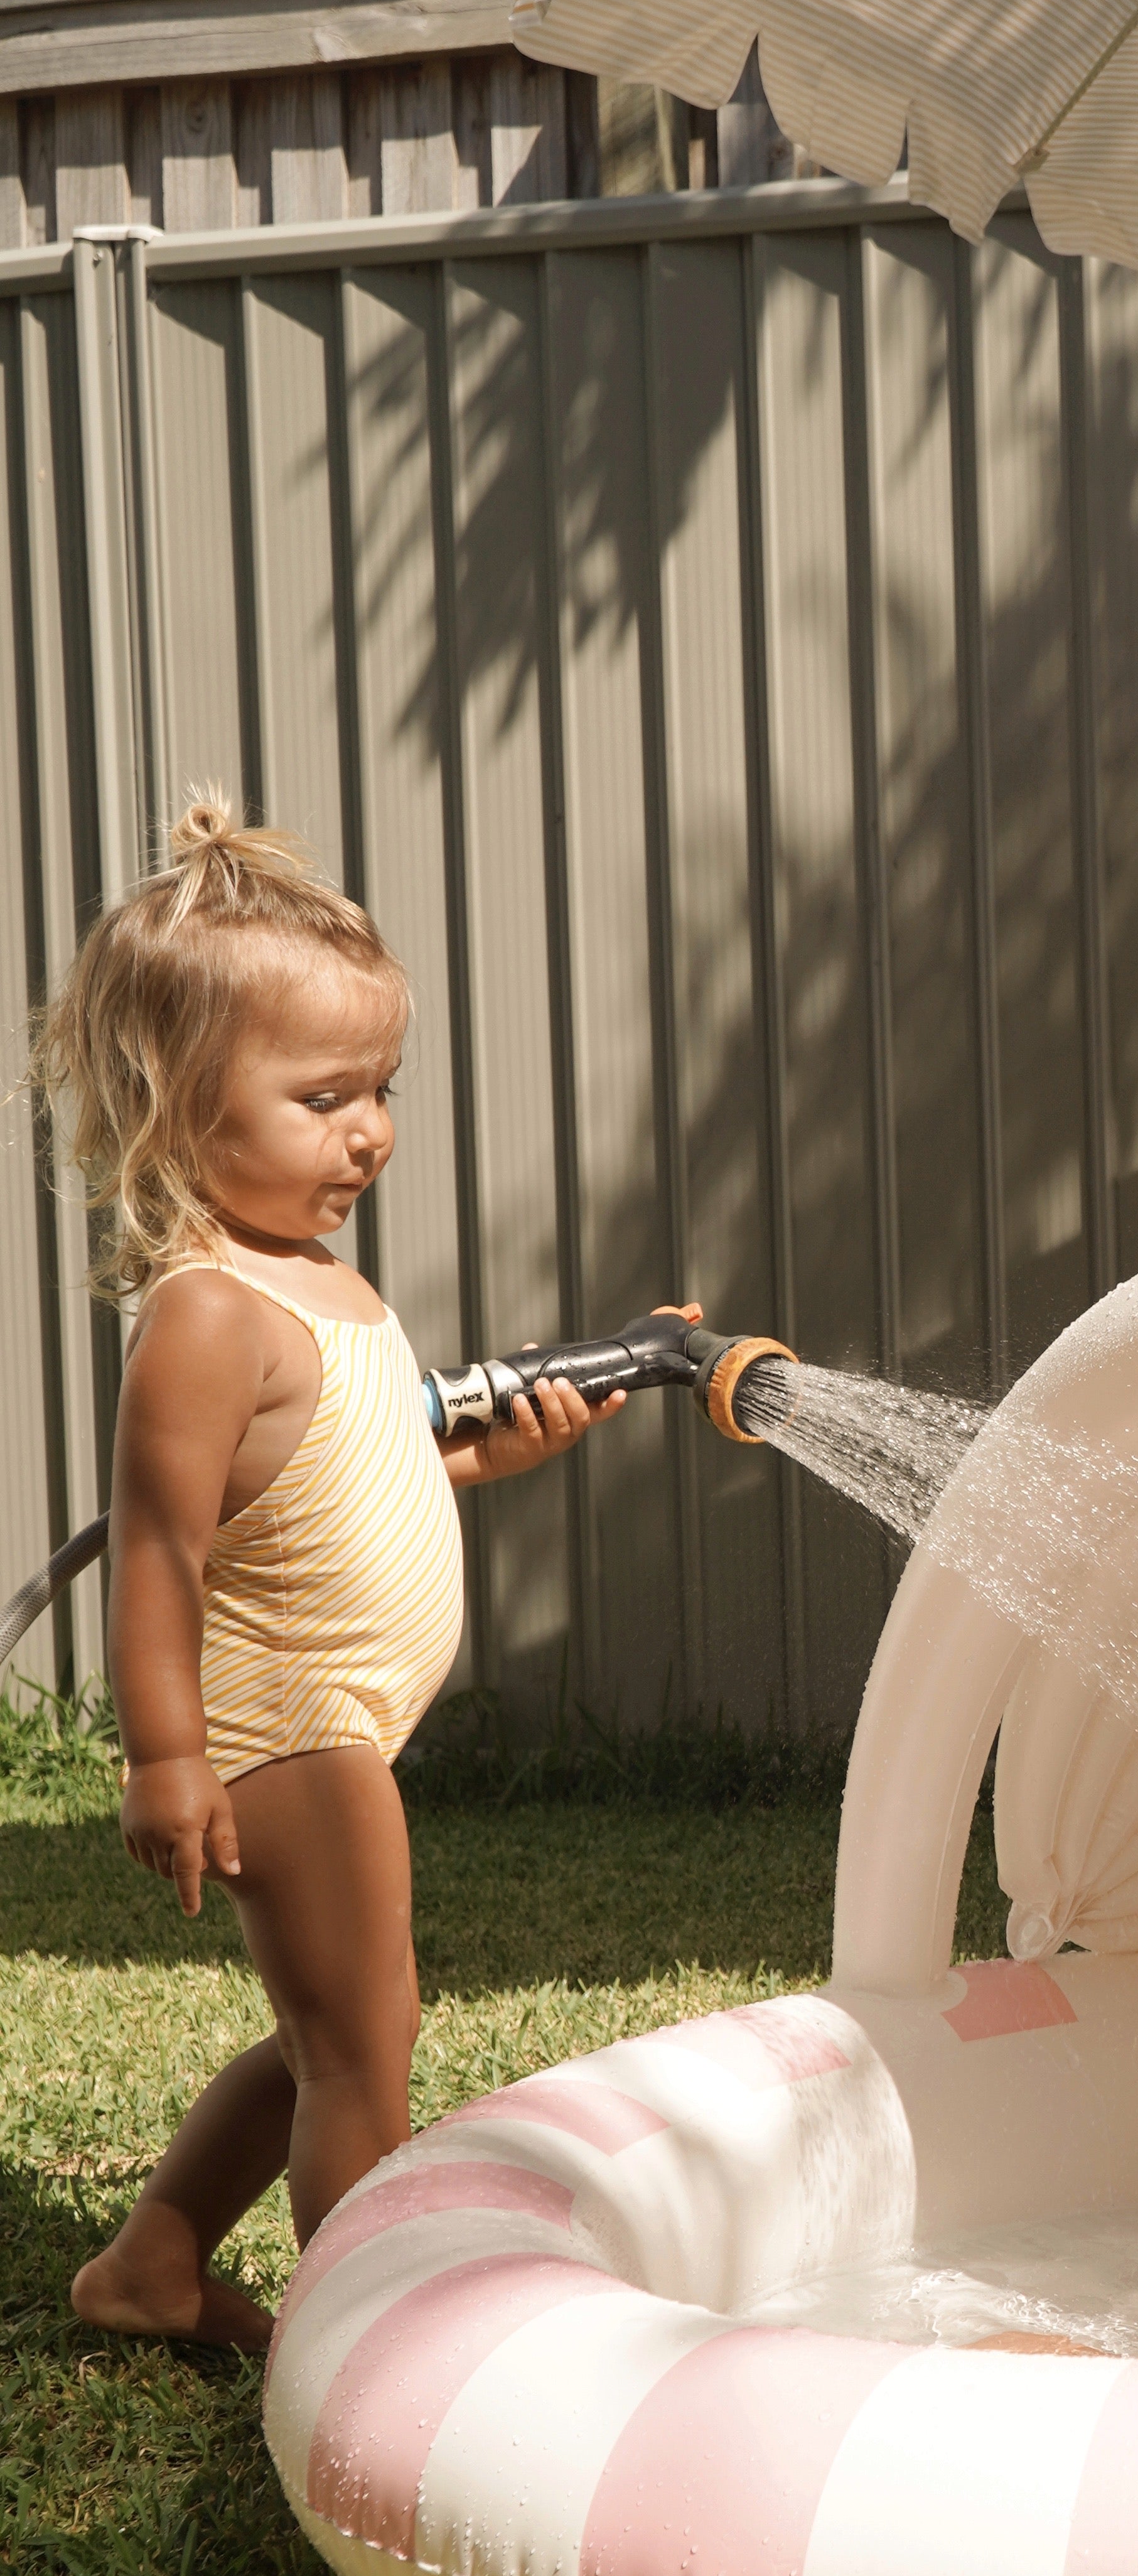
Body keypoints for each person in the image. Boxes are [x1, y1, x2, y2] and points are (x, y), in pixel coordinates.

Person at [34, 799, 626, 2352]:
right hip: (285, 1717)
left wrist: (488, 1459)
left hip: (340, 1713)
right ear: (173, 1106)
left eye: (382, 1090)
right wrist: (164, 1761)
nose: (366, 1129)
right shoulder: (210, 1313)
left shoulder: (321, 1279)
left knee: (327, 2038)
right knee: (367, 2049)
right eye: (320, 1097)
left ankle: (152, 2267)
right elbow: (158, 1553)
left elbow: (332, 1474)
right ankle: (369, 2350)